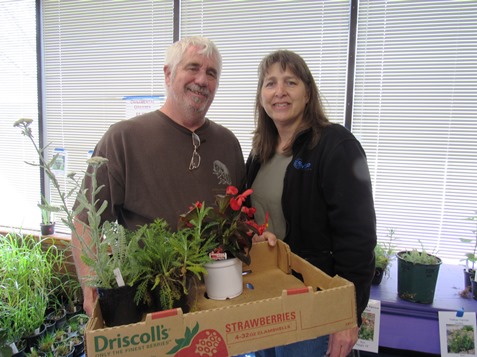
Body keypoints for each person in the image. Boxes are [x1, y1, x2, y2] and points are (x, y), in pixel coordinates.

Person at [71, 36, 246, 316]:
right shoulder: (123, 139)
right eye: (193, 67)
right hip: (149, 306)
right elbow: (84, 224)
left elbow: (239, 221)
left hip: (219, 303)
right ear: (169, 74)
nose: (202, 79)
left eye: (211, 73)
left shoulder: (228, 144)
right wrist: (91, 287)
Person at [247, 50, 376, 357]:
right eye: (270, 83)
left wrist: (348, 315)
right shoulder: (259, 153)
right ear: (261, 96)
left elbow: (357, 241)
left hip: (313, 306)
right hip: (262, 298)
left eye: (290, 82)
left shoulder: (336, 146)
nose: (279, 91)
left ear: (307, 93)